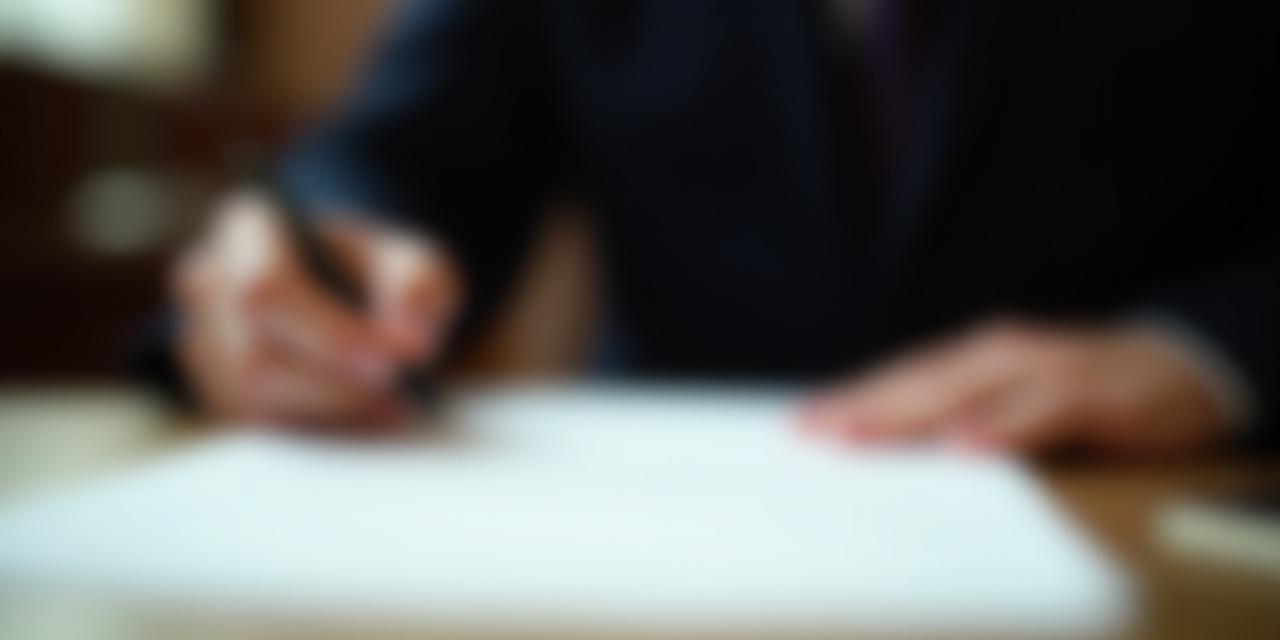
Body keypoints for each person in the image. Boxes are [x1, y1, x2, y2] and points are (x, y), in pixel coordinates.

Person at [158, 0, 1278, 455]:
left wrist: (1213, 350)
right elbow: (397, 158)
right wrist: (308, 267)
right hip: (654, 553)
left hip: (1130, 502)